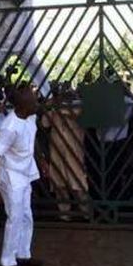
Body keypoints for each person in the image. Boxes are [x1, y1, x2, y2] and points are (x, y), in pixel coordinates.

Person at [0, 86, 48, 266]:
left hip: (24, 172)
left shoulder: (29, 117)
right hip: (11, 176)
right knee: (14, 217)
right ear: (23, 105)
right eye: (33, 101)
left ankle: (23, 254)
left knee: (26, 216)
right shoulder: (9, 127)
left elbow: (34, 139)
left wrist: (41, 161)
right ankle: (7, 261)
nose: (36, 103)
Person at [41, 85, 90, 219]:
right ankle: (65, 213)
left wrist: (56, 106)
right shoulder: (55, 110)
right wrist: (50, 107)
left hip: (74, 151)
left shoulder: (78, 109)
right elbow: (45, 123)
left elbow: (74, 114)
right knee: (59, 182)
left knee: (78, 181)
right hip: (57, 151)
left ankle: (85, 212)